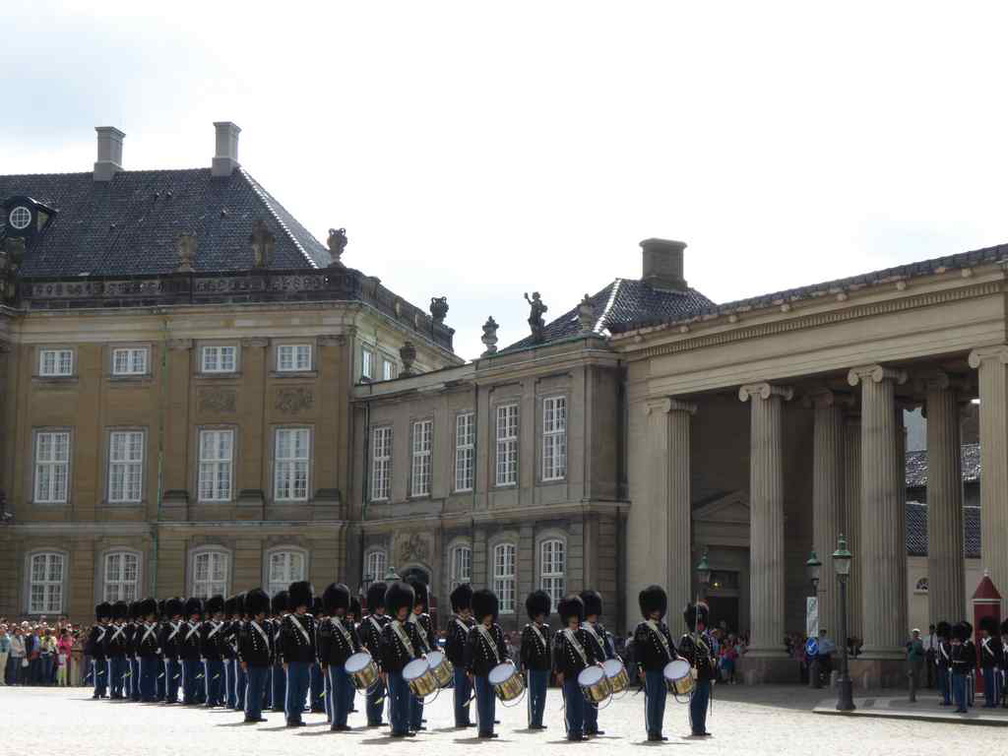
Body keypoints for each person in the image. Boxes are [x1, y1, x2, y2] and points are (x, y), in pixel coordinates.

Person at [380, 581, 424, 738]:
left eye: (406, 609)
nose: (404, 612)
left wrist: (421, 656)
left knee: (405, 698)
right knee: (395, 698)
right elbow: (384, 652)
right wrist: (383, 670)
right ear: (395, 609)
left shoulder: (411, 628)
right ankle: (395, 725)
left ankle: (404, 726)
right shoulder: (388, 628)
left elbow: (417, 646)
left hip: (408, 668)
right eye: (401, 609)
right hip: (393, 668)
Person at [634, 585, 678, 742]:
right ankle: (651, 730)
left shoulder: (664, 628)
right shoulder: (642, 628)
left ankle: (658, 729)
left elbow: (671, 648)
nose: (656, 611)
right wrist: (641, 668)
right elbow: (638, 651)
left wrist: (678, 658)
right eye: (654, 608)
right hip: (650, 669)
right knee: (652, 700)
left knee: (661, 701)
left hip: (664, 669)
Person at [553, 594, 597, 742]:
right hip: (569, 673)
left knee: (581, 703)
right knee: (571, 703)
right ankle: (572, 730)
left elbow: (590, 653)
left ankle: (580, 729)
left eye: (577, 621)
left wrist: (595, 663)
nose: (575, 624)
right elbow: (558, 655)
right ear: (567, 620)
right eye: (572, 622)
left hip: (582, 673)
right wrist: (559, 672)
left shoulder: (584, 634)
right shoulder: (561, 635)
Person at [467, 587, 508, 740]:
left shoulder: (497, 630)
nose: (488, 618)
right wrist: (469, 670)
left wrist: (506, 660)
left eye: (490, 615)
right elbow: (469, 653)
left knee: (491, 700)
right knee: (481, 700)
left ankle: (489, 728)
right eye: (486, 615)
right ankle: (482, 729)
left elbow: (502, 649)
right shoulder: (474, 631)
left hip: (494, 671)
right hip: (479, 670)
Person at [318, 582, 359, 731]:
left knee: (347, 692)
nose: (341, 609)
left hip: (348, 662)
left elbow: (356, 641)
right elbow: (324, 646)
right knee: (337, 692)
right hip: (334, 662)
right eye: (339, 605)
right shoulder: (327, 624)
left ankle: (343, 720)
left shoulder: (349, 623)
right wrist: (323, 664)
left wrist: (361, 651)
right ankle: (336, 721)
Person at [280, 581, 316, 728]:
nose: (303, 608)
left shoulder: (309, 619)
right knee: (293, 687)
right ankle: (291, 715)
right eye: (301, 605)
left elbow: (312, 640)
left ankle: (298, 713)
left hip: (305, 659)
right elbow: (284, 642)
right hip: (293, 659)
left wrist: (312, 658)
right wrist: (284, 659)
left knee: (304, 687)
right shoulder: (287, 620)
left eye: (304, 605)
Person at [579, 590, 614, 737]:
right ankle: (586, 725)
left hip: (599, 666)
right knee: (587, 698)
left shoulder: (600, 628)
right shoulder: (582, 628)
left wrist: (612, 657)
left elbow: (606, 646)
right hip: (587, 667)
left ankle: (593, 725)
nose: (595, 615)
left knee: (596, 698)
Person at [678, 602, 716, 737]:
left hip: (705, 674)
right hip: (693, 675)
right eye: (698, 623)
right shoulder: (687, 639)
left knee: (704, 701)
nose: (700, 625)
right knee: (695, 701)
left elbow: (711, 657)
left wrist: (713, 675)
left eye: (702, 623)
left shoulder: (707, 639)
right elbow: (682, 657)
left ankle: (702, 726)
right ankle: (695, 727)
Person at [406, 579, 437, 732]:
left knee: (422, 691)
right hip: (412, 659)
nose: (419, 607)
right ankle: (410, 720)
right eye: (416, 605)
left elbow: (431, 639)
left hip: (423, 659)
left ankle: (417, 721)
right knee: (412, 691)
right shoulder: (406, 620)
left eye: (420, 605)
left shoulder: (425, 619)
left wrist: (437, 648)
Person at [239, 588, 273, 724]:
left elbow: (271, 645)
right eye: (260, 613)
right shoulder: (247, 626)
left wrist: (271, 659)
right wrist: (243, 660)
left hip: (263, 661)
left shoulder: (268, 626)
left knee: (261, 689)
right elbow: (241, 645)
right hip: (252, 661)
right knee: (252, 687)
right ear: (255, 613)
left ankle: (257, 712)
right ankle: (249, 713)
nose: (262, 615)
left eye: (263, 613)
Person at [520, 590, 552, 731]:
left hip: (544, 666)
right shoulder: (528, 630)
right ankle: (532, 720)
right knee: (532, 695)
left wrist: (550, 665)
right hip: (532, 666)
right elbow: (524, 649)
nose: (541, 617)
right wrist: (523, 664)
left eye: (543, 615)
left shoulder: (546, 629)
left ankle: (539, 719)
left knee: (542, 695)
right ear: (534, 615)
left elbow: (549, 650)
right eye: (539, 615)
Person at [446, 583, 475, 728]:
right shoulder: (453, 624)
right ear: (459, 608)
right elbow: (450, 645)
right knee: (460, 691)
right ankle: (459, 719)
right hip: (458, 662)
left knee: (467, 692)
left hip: (470, 663)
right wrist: (454, 659)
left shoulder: (472, 623)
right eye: (465, 608)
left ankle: (466, 718)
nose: (468, 611)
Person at [361, 582, 389, 727]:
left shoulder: (389, 621)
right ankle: (373, 718)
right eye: (379, 605)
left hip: (386, 661)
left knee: (385, 692)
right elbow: (360, 642)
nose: (381, 608)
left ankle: (380, 717)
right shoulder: (367, 622)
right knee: (373, 692)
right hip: (372, 662)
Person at [179, 597, 204, 705]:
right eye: (194, 614)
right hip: (188, 655)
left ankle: (199, 696)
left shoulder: (201, 626)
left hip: (198, 655)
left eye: (197, 614)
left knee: (199, 677)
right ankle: (188, 696)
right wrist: (181, 655)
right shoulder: (184, 626)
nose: (196, 616)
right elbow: (181, 642)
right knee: (188, 677)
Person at [136, 597, 161, 702]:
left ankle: (152, 693)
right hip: (144, 654)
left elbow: (159, 639)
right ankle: (143, 694)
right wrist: (138, 653)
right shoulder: (141, 628)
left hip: (154, 654)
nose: (151, 617)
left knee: (152, 675)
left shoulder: (156, 627)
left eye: (152, 615)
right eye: (149, 615)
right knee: (143, 675)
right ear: (145, 616)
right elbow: (137, 642)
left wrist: (159, 649)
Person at [105, 600, 130, 699]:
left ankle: (119, 691)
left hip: (122, 653)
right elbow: (106, 642)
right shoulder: (110, 628)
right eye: (119, 618)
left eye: (121, 618)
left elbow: (127, 641)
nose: (120, 620)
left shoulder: (125, 628)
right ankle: (112, 691)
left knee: (121, 674)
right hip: (113, 653)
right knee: (113, 674)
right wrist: (107, 654)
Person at [86, 603, 111, 697]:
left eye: (106, 617)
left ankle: (103, 691)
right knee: (97, 674)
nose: (105, 619)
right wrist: (93, 654)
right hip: (98, 654)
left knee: (105, 674)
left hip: (106, 654)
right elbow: (92, 642)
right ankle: (97, 691)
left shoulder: (109, 628)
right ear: (100, 618)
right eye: (103, 617)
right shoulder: (96, 629)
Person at [269, 591, 288, 713]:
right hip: (276, 655)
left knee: (287, 681)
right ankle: (276, 703)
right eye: (282, 611)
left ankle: (285, 702)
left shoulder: (288, 622)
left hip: (287, 655)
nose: (284, 613)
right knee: (277, 681)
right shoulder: (272, 624)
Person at [978, 616, 1003, 707]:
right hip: (985, 666)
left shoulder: (995, 641)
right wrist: (980, 666)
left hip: (993, 666)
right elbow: (981, 654)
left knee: (993, 685)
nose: (982, 632)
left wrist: (997, 665)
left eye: (984, 630)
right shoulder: (982, 641)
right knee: (987, 685)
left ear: (988, 631)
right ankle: (988, 700)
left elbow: (999, 654)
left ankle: (994, 701)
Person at [950, 621, 973, 713]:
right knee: (956, 689)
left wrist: (968, 671)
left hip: (962, 668)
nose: (955, 639)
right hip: (955, 668)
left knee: (962, 688)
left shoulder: (965, 646)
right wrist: (951, 666)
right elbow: (952, 658)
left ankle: (963, 707)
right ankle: (959, 706)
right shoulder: (954, 646)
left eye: (956, 637)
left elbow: (969, 659)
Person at [310, 597, 327, 714]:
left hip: (322, 656)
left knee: (322, 682)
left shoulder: (323, 624)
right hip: (315, 657)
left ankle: (321, 703)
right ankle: (315, 703)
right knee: (315, 682)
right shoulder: (312, 624)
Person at [935, 621, 952, 706]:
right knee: (943, 684)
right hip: (941, 666)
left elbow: (949, 656)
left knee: (947, 684)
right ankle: (945, 698)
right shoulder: (940, 644)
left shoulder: (947, 644)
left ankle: (948, 699)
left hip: (946, 666)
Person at [906, 628, 925, 702]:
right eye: (914, 633)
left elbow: (922, 651)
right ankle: (912, 697)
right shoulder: (910, 642)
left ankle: (913, 696)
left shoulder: (920, 642)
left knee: (916, 679)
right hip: (911, 661)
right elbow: (907, 650)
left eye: (916, 633)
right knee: (912, 678)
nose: (915, 635)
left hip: (918, 661)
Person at [923, 623, 937, 688]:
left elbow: (938, 645)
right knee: (929, 669)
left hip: (935, 653)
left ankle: (936, 683)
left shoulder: (936, 638)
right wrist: (928, 648)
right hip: (928, 653)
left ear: (934, 630)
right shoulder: (926, 637)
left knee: (936, 669)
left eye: (932, 629)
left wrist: (933, 648)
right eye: (930, 629)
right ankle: (929, 684)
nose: (931, 631)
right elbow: (924, 646)